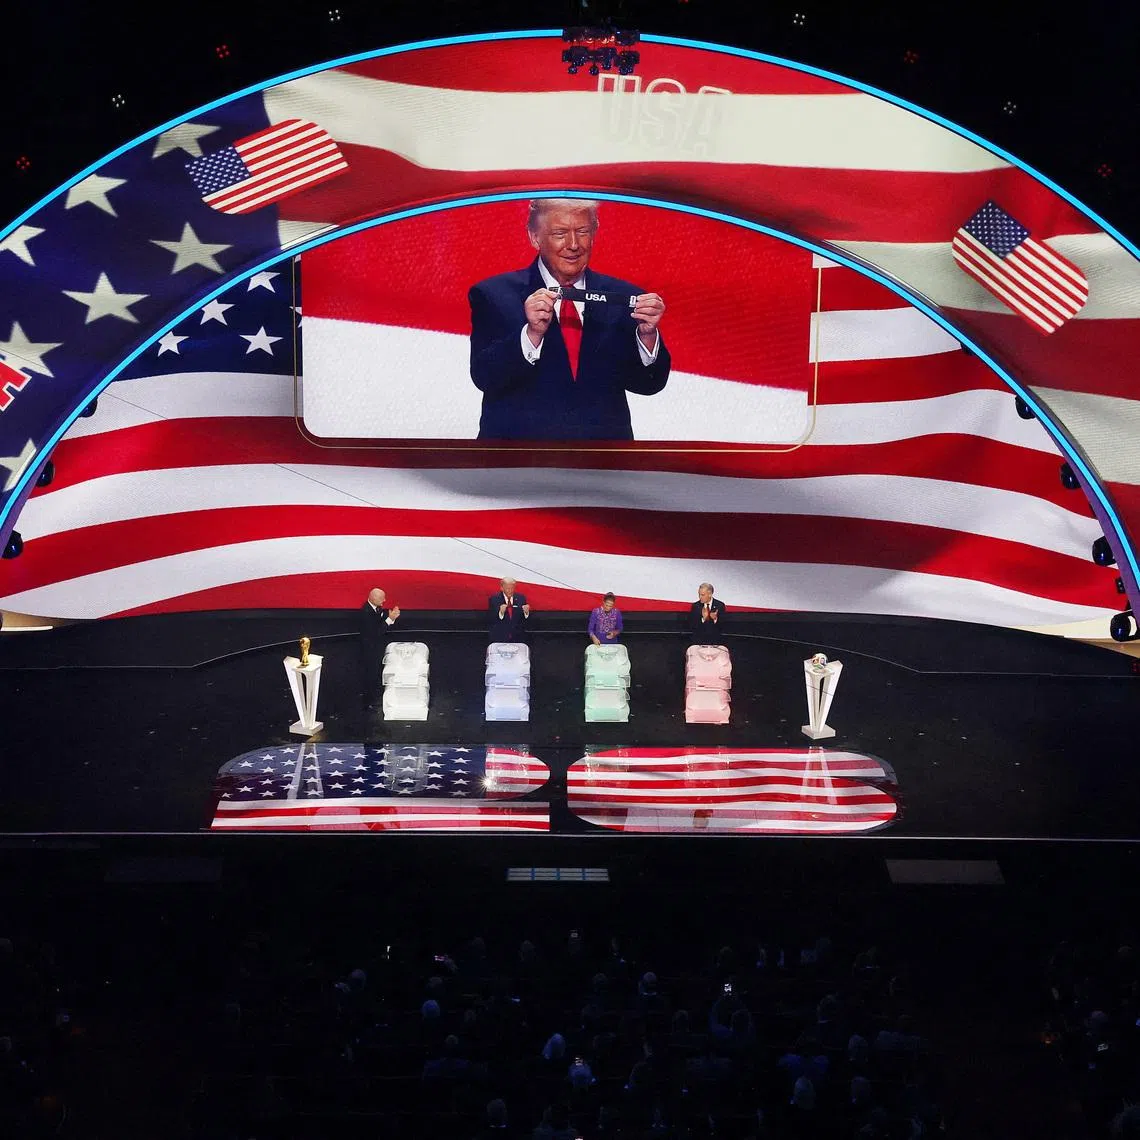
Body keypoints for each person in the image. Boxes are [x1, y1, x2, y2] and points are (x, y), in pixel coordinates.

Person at [468, 198, 670, 440]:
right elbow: (484, 377)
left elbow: (648, 385)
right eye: (560, 233)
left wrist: (647, 336)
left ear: (594, 235)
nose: (573, 244)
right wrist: (531, 335)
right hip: (519, 463)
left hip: (603, 465)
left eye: (582, 232)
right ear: (535, 237)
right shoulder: (493, 294)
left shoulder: (627, 297)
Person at [358, 587, 400, 708]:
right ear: (374, 598)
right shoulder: (366, 612)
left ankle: (374, 696)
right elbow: (375, 632)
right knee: (370, 674)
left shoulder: (376, 608)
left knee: (375, 673)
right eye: (382, 598)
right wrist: (390, 619)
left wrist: (390, 618)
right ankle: (369, 701)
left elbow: (380, 623)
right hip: (368, 649)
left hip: (375, 648)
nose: (385, 600)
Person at [488, 577, 530, 642]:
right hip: (500, 637)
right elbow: (491, 619)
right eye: (508, 589)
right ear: (502, 588)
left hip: (518, 638)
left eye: (512, 588)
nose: (510, 591)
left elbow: (524, 620)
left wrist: (526, 613)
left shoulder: (521, 598)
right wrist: (501, 613)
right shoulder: (494, 599)